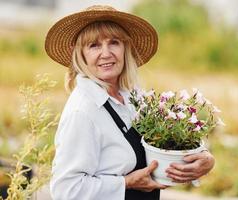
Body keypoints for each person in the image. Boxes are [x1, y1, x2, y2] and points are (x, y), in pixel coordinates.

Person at [45, 5, 215, 200]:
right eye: (94, 45)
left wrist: (204, 158)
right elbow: (65, 190)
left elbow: (168, 144)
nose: (106, 53)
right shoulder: (83, 112)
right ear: (79, 53)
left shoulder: (131, 97)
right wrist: (125, 183)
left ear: (126, 48)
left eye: (114, 42)